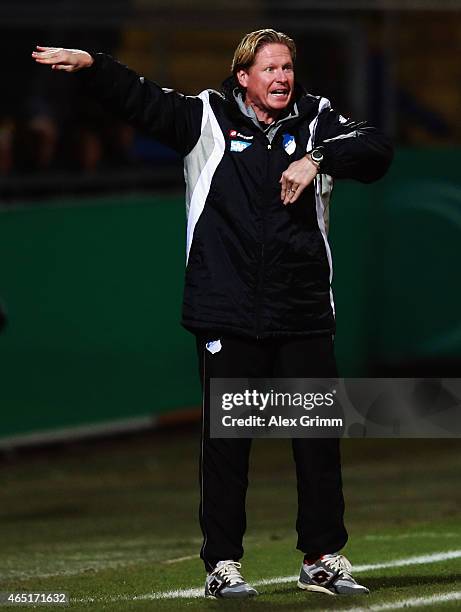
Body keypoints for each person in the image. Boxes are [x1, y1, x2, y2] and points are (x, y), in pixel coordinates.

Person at [32, 29, 393, 599]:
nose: (281, 78)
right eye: (269, 68)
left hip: (301, 309)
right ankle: (222, 564)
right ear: (243, 75)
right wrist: (95, 65)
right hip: (226, 312)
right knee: (229, 445)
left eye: (287, 68)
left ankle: (322, 556)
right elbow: (140, 98)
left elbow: (376, 151)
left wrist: (315, 158)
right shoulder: (205, 116)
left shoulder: (316, 117)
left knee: (316, 439)